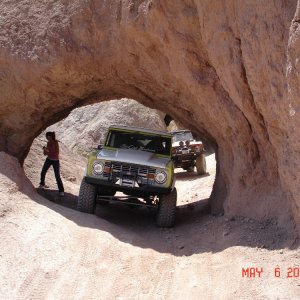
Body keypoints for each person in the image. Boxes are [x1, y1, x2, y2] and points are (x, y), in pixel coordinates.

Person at [39, 131, 65, 196]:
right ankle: (42, 184)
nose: (47, 138)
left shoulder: (55, 143)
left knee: (57, 176)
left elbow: (56, 152)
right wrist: (45, 150)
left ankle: (61, 191)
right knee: (43, 171)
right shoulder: (48, 143)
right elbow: (46, 154)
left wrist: (47, 150)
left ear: (51, 136)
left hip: (55, 160)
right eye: (46, 137)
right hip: (49, 159)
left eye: (48, 137)